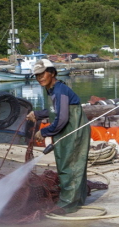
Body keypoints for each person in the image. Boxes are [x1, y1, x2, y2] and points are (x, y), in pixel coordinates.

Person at [26, 59, 90, 214]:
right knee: (67, 163)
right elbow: (55, 110)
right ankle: (77, 199)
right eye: (37, 75)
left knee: (70, 165)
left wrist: (45, 131)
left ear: (52, 73)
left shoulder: (60, 90)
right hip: (67, 130)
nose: (40, 78)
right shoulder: (52, 89)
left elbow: (61, 119)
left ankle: (68, 203)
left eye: (43, 74)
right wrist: (37, 114)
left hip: (73, 129)